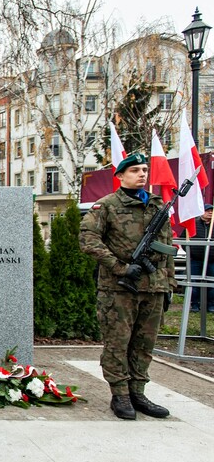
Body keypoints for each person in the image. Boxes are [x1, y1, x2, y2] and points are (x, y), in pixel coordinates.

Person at [80, 153, 173, 420]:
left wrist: (168, 285)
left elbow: (167, 250)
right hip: (118, 289)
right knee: (117, 344)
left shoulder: (158, 207)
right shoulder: (106, 206)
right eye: (134, 170)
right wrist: (120, 267)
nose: (141, 174)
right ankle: (119, 394)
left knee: (144, 344)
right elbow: (88, 240)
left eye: (144, 170)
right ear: (120, 176)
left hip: (153, 288)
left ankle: (138, 392)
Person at [186, 204, 214, 312]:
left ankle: (211, 305)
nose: (210, 212)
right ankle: (195, 305)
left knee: (212, 284)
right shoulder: (193, 224)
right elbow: (185, 239)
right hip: (196, 260)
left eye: (212, 211)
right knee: (193, 283)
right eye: (208, 210)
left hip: (212, 260)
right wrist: (192, 251)